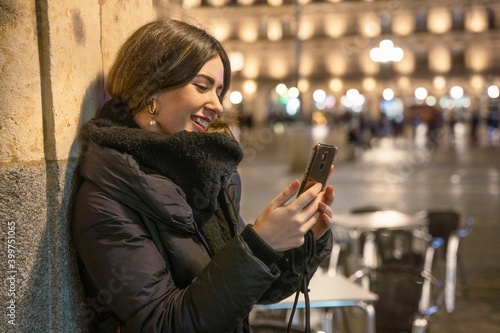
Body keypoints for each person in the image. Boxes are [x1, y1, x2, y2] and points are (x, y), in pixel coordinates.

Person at [70, 18, 334, 333]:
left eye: (219, 91)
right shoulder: (106, 196)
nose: (218, 106)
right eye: (202, 85)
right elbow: (163, 324)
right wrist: (260, 242)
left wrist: (302, 239)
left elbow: (256, 292)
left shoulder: (206, 175)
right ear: (152, 84)